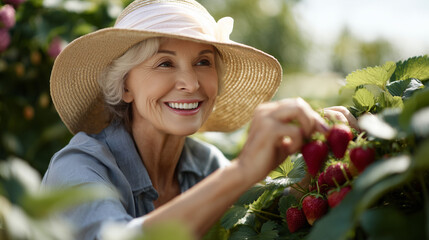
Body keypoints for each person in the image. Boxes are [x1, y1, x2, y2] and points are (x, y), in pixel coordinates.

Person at [42, 0, 357, 239]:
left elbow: (268, 216)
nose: (191, 83)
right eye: (165, 63)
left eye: (203, 61)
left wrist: (318, 169)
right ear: (125, 85)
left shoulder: (205, 164)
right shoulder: (76, 167)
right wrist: (243, 170)